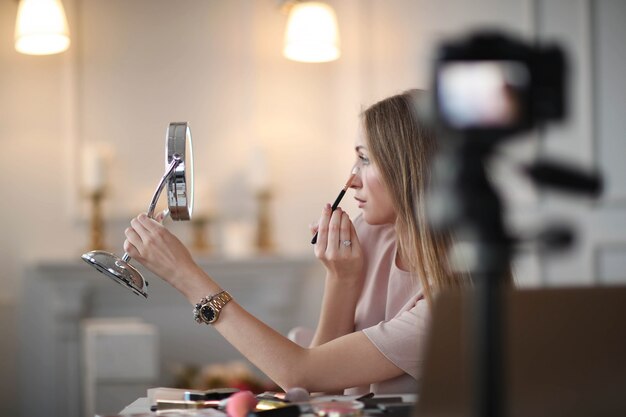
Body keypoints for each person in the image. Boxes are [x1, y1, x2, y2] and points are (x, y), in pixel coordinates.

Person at [123, 89, 467, 395]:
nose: (351, 178)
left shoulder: (451, 303)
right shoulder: (375, 235)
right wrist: (342, 278)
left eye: (365, 158)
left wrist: (186, 277)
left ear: (410, 170)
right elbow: (316, 388)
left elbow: (301, 373)